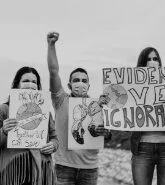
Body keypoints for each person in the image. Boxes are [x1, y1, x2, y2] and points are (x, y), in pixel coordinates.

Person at [47, 32, 111, 185]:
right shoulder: (61, 100)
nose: (80, 83)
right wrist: (51, 45)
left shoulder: (100, 105)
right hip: (64, 168)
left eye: (84, 81)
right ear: (69, 85)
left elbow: (107, 136)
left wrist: (106, 133)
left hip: (90, 168)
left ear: (89, 85)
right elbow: (53, 72)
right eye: (76, 80)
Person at [0, 66, 59, 185]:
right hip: (13, 173)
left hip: (40, 172)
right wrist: (3, 131)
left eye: (34, 82)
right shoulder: (4, 109)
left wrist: (53, 145)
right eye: (26, 81)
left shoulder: (45, 111)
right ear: (17, 84)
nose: (30, 84)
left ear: (38, 87)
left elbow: (54, 138)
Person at [131, 47, 165, 185]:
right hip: (142, 148)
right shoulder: (132, 87)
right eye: (148, 59)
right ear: (142, 63)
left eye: (155, 59)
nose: (152, 62)